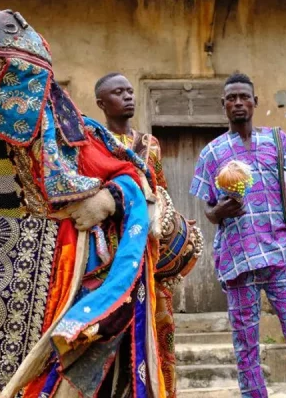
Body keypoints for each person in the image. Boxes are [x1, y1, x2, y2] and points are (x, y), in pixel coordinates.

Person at [0, 10, 166, 398]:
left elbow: (132, 175)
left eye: (12, 73)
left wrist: (108, 199)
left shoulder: (71, 130)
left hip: (57, 284)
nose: (2, 87)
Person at [189, 73, 286, 398]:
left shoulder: (278, 141)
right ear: (223, 105)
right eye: (231, 98)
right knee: (246, 346)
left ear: (255, 102)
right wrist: (221, 211)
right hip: (238, 260)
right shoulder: (212, 153)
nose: (238, 103)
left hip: (280, 256)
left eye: (244, 97)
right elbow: (208, 211)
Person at [95, 72, 202, 398]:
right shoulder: (95, 143)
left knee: (160, 330)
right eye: (118, 92)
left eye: (130, 91)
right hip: (112, 256)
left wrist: (175, 224)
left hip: (151, 255)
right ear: (101, 103)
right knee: (114, 333)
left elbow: (160, 190)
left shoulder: (150, 144)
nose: (128, 96)